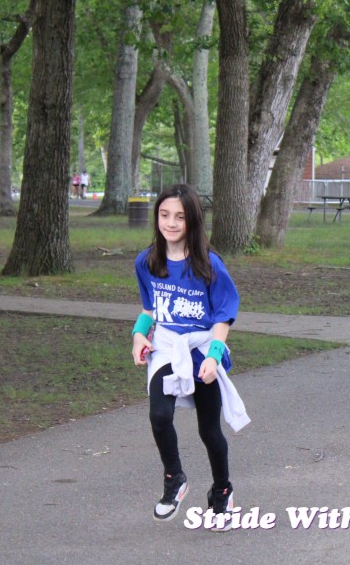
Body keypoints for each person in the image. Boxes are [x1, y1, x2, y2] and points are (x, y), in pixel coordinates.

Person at [131, 183, 249, 530]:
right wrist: (139, 335)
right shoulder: (147, 261)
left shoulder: (209, 264)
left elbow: (223, 316)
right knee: (159, 415)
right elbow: (150, 308)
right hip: (167, 347)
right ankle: (175, 479)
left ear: (192, 220)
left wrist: (214, 355)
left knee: (209, 430)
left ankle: (222, 490)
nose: (170, 223)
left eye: (179, 217)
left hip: (200, 349)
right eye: (164, 215)